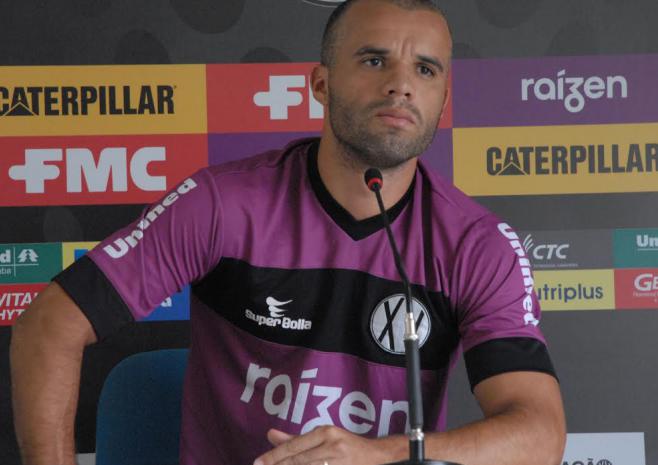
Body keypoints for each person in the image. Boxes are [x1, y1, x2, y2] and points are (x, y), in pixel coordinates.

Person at [10, 0, 566, 464]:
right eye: (374, 60)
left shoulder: (477, 244)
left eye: (426, 70)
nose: (401, 85)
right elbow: (49, 326)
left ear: (444, 100)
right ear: (321, 83)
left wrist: (388, 453)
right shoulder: (223, 204)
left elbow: (540, 433)